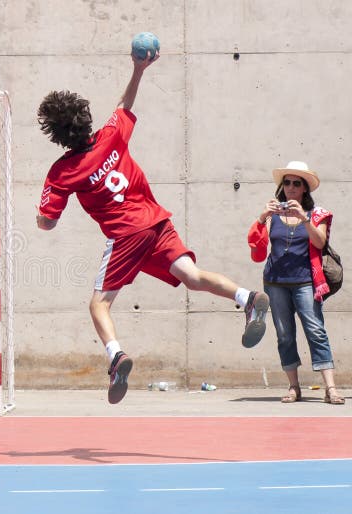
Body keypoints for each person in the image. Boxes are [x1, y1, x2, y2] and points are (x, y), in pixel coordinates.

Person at [35, 49, 269, 404]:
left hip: (127, 234)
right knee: (192, 276)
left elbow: (48, 223)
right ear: (84, 120)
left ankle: (116, 356)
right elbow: (123, 105)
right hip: (157, 222)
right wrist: (138, 68)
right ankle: (247, 298)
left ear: (56, 135)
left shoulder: (62, 172)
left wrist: (40, 216)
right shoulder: (111, 136)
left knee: (99, 305)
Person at [247, 161, 344, 405]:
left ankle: (330, 388)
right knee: (285, 335)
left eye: (296, 183)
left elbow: (320, 242)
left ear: (304, 189)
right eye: (287, 183)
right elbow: (257, 253)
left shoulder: (315, 214)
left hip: (305, 283)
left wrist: (303, 219)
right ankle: (293, 387)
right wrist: (262, 218)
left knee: (316, 331)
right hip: (275, 282)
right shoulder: (273, 217)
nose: (290, 187)